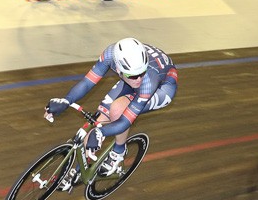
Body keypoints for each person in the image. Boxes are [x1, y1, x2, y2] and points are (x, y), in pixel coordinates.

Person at [45, 37, 177, 190]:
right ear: (119, 69)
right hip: (132, 77)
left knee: (117, 111)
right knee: (98, 122)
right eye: (134, 75)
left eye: (141, 73)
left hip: (163, 87)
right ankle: (78, 170)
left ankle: (118, 152)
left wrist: (101, 132)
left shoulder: (146, 79)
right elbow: (87, 82)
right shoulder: (110, 55)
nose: (139, 79)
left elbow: (126, 120)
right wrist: (66, 101)